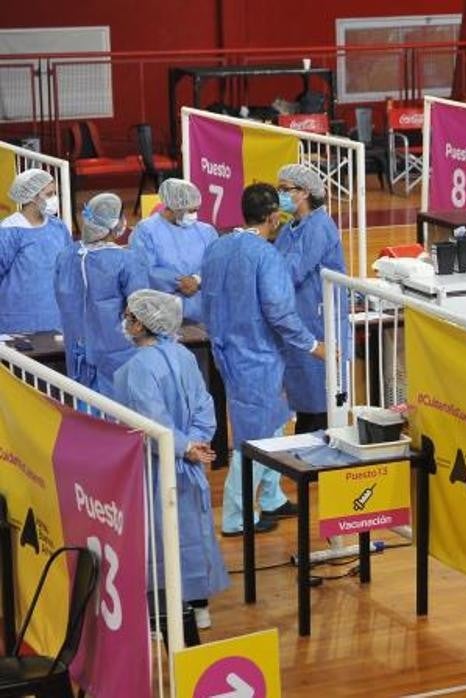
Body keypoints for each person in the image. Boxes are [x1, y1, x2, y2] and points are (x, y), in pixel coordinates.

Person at [201, 183, 325, 536]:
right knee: (254, 434)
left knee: (273, 424)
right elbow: (280, 312)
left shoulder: (218, 246)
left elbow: (207, 299)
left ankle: (269, 496)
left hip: (230, 350)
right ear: (273, 217)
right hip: (256, 356)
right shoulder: (266, 257)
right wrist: (312, 344)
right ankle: (237, 515)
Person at [114, 289, 228, 630]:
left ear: (141, 324)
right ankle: (199, 605)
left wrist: (181, 448)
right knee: (193, 531)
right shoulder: (184, 355)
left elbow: (151, 422)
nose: (125, 322)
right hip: (189, 463)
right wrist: (194, 443)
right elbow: (204, 407)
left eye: (130, 316)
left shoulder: (136, 369)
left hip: (155, 466)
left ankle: (163, 615)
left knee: (159, 535)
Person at [274, 163, 349, 435]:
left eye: (285, 190)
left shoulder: (320, 226)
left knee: (320, 395)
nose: (279, 195)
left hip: (320, 319)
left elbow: (291, 270)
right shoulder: (290, 227)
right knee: (304, 394)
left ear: (304, 192)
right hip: (301, 318)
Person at [53, 193, 148, 399]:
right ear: (115, 223)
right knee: (121, 419)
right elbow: (141, 309)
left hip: (77, 352)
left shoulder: (66, 256)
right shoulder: (127, 261)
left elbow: (62, 300)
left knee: (88, 416)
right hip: (118, 355)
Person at [129, 179, 218, 324]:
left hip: (202, 311)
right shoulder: (146, 231)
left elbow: (215, 264)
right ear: (173, 207)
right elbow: (144, 269)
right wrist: (178, 281)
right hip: (161, 313)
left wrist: (196, 279)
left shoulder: (206, 232)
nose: (194, 215)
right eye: (191, 211)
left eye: (196, 210)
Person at [0, 170, 72, 334]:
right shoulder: (9, 231)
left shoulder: (58, 227)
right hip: (16, 323)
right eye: (49, 194)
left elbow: (68, 269)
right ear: (32, 197)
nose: (54, 199)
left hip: (55, 321)